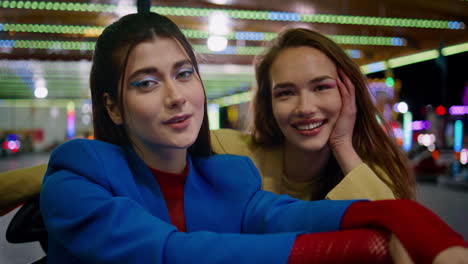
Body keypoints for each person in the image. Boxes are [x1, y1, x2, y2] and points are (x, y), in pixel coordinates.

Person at [32, 5, 468, 263]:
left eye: (184, 74)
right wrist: (371, 247)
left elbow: (308, 216)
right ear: (113, 106)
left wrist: (424, 235)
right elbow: (174, 254)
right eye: (146, 82)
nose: (175, 97)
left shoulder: (228, 178)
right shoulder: (77, 178)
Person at [211, 27, 414, 201]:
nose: (305, 108)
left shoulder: (373, 173)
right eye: (286, 93)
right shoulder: (231, 151)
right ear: (268, 103)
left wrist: (343, 145)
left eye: (321, 87)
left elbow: (393, 227)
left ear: (349, 93)